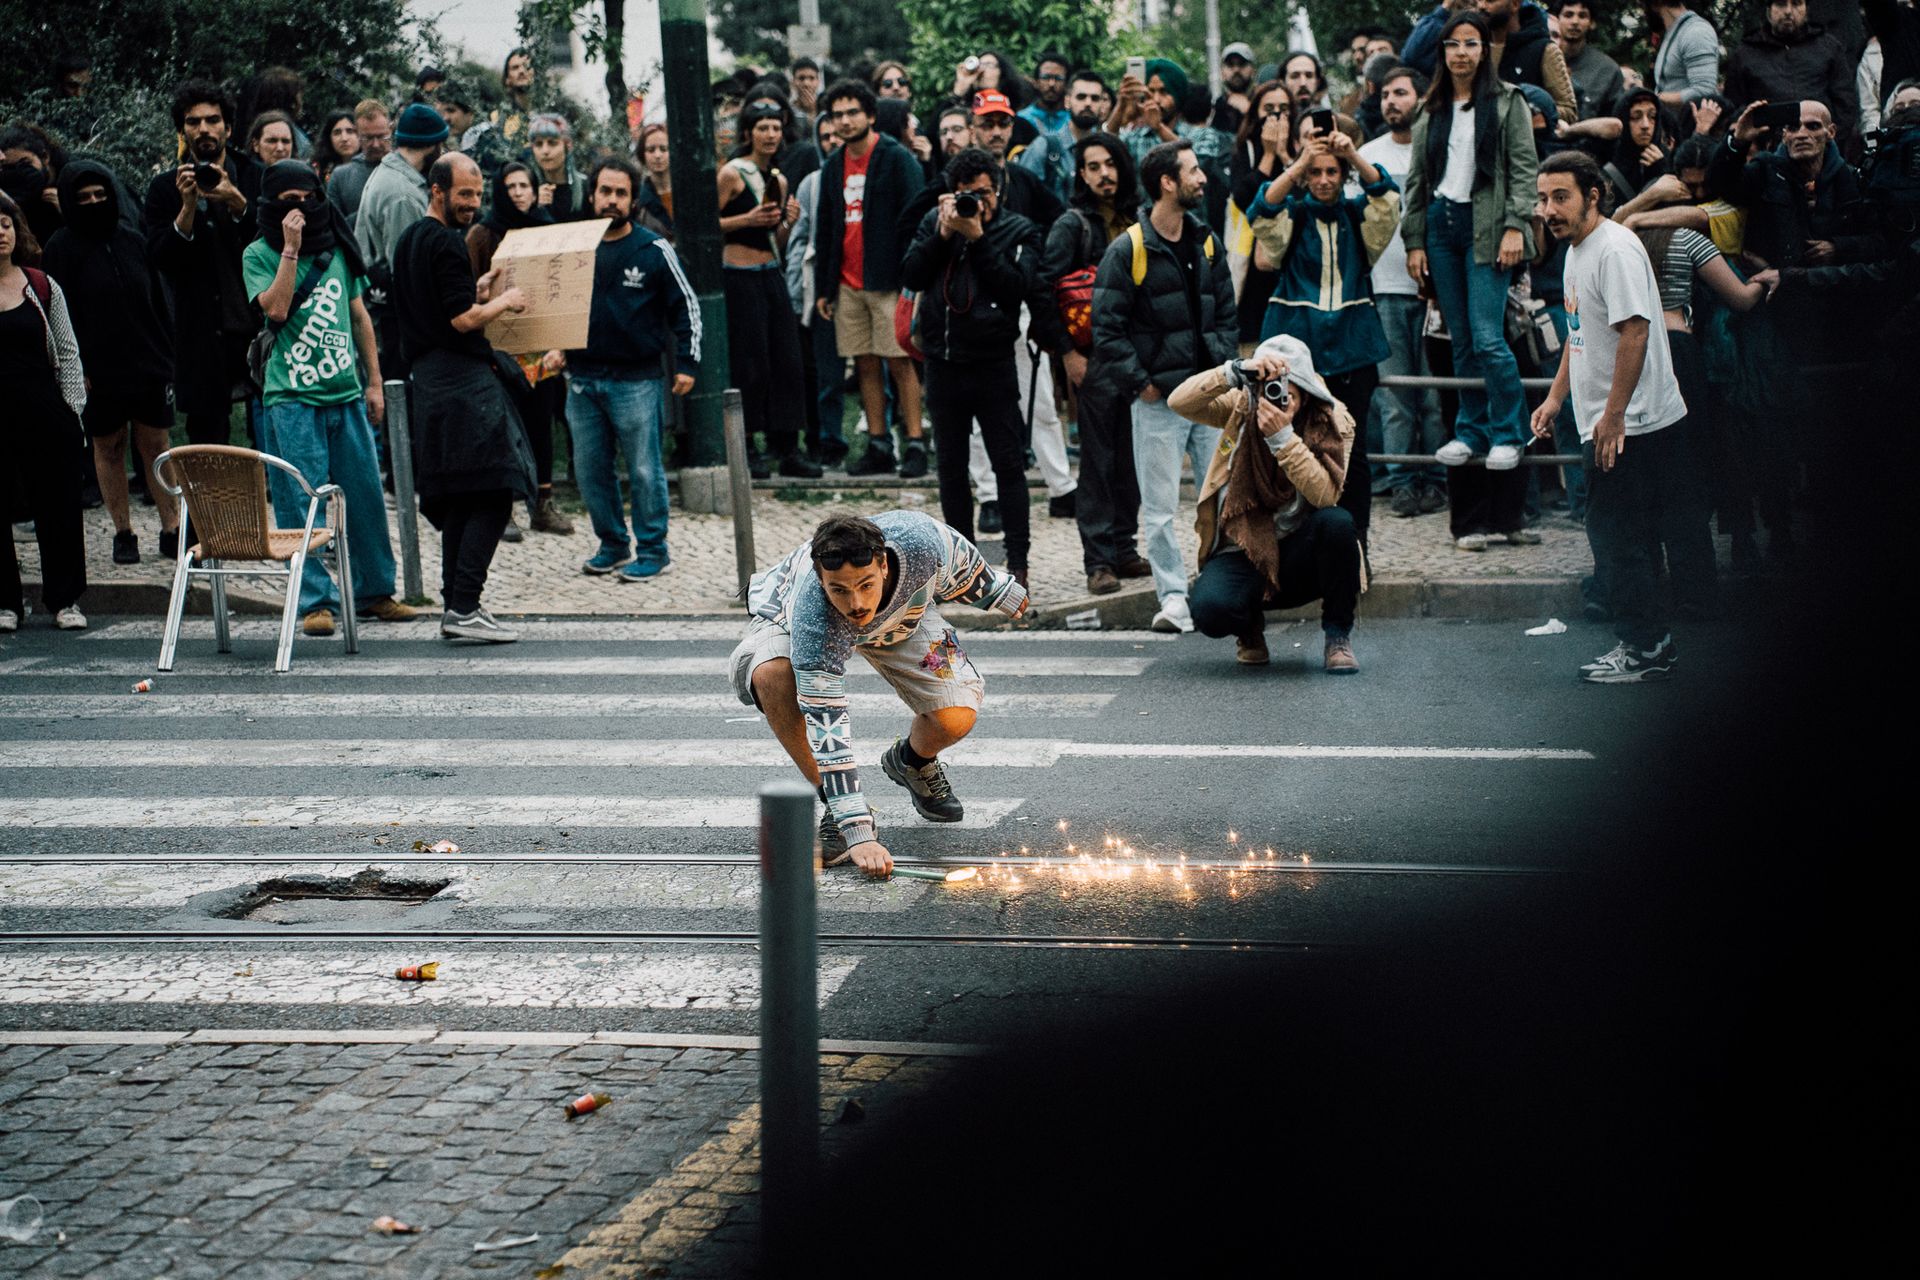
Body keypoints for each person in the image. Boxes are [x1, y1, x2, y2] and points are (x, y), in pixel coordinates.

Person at [730, 512, 1030, 876]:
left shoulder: (922, 543)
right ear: (822, 580)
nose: (856, 603)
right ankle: (836, 808)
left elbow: (963, 563)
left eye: (865, 585)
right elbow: (827, 726)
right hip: (788, 620)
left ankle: (912, 761)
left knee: (956, 716)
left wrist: (1000, 593)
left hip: (900, 617)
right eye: (839, 589)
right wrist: (858, 832)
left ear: (883, 564)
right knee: (773, 675)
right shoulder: (813, 615)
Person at [1529, 150, 1688, 682]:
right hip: (1608, 420)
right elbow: (1580, 336)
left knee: (1617, 541)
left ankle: (1644, 649)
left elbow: (1635, 331)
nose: (1547, 209)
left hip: (1631, 425)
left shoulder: (1612, 250)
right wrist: (1555, 399)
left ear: (1593, 195)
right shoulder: (1578, 249)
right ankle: (1652, 643)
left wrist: (1615, 416)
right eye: (1543, 197)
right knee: (1622, 538)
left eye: (1560, 196)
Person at [242, 161, 414, 637]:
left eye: (307, 198)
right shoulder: (257, 253)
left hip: (344, 392)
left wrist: (374, 382)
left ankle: (375, 590)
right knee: (302, 502)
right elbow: (275, 308)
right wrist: (290, 251)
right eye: (287, 200)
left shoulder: (337, 248)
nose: (299, 209)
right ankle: (316, 599)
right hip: (291, 397)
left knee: (363, 496)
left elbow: (359, 317)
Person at [1400, 8, 1540, 551]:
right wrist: (1415, 242)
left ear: (1485, 49)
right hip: (1441, 225)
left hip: (1488, 226)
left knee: (1488, 336)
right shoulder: (1430, 109)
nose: (1462, 52)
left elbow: (1524, 170)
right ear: (1443, 52)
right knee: (1459, 341)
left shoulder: (1507, 102)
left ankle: (1506, 434)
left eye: (1472, 43)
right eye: (1453, 44)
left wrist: (1514, 227)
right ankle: (1472, 431)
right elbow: (1417, 182)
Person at [1091, 140, 1237, 634]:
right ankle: (1173, 598)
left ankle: (1218, 588)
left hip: (1211, 397)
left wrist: (1221, 364)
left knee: (1220, 497)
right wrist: (1142, 382)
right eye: (1193, 171)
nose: (1203, 178)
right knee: (1158, 509)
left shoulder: (1206, 240)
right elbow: (1105, 327)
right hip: (1159, 402)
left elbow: (1228, 311)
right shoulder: (1128, 248)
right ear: (1167, 183)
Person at [390, 153, 537, 642]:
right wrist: (503, 302)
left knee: (459, 496)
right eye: (464, 194)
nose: (473, 204)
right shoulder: (448, 243)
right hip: (462, 386)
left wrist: (475, 290)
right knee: (496, 490)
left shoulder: (411, 239)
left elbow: (435, 305)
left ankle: (457, 606)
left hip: (428, 382)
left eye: (477, 194)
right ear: (437, 190)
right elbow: (459, 321)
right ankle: (466, 605)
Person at [901, 147, 1048, 592]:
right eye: (966, 194)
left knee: (1008, 463)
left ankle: (1017, 561)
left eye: (983, 193)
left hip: (993, 362)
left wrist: (979, 237)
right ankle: (959, 563)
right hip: (944, 363)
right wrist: (944, 235)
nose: (974, 202)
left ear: (998, 190)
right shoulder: (935, 223)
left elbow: (1015, 289)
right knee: (951, 465)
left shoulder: (1020, 230)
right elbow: (910, 274)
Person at [1169, 335, 1363, 673]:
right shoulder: (1244, 406)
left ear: (1306, 393)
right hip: (1244, 547)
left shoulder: (1334, 420)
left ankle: (1337, 637)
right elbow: (1179, 402)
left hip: (1301, 550)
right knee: (1209, 611)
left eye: (1288, 391)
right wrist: (1234, 371)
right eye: (1268, 389)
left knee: (1338, 524)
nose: (1275, 398)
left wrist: (1282, 438)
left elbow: (1325, 494)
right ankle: (1248, 628)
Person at [1246, 125, 1398, 547]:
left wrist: (1354, 156)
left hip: (1354, 348)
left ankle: (1354, 542)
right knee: (1288, 444)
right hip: (1295, 351)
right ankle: (1292, 541)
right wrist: (1296, 165)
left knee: (1354, 451)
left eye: (1333, 171)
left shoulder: (1358, 217)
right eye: (1317, 172)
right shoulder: (1293, 215)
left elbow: (1386, 199)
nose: (1325, 179)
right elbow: (1260, 211)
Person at [563, 157, 700, 582]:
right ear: (592, 195)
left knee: (644, 470)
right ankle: (613, 544)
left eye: (621, 193)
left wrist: (689, 362)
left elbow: (688, 308)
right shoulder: (572, 248)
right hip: (581, 380)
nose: (612, 200)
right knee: (590, 470)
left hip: (637, 380)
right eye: (605, 191)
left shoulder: (654, 249)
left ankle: (654, 550)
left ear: (633, 198)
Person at [43, 160, 179, 565]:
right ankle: (123, 531)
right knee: (109, 446)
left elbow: (158, 300)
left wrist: (167, 355)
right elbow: (58, 316)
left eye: (100, 195)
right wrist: (74, 369)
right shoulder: (60, 248)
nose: (93, 203)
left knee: (157, 445)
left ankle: (172, 526)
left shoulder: (133, 240)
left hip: (148, 361)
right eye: (83, 198)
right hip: (97, 369)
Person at [1045, 132, 1151, 595]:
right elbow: (1044, 289)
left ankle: (1124, 549)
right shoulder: (1072, 226)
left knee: (1132, 460)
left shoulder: (1141, 217)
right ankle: (1099, 561)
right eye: (1093, 166)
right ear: (1082, 174)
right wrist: (1067, 353)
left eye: (1110, 163)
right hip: (1092, 360)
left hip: (1137, 358)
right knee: (1098, 463)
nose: (1104, 173)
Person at [812, 80, 928, 479]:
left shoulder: (896, 158)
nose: (844, 121)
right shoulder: (832, 165)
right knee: (864, 363)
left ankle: (915, 440)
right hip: (847, 282)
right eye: (837, 115)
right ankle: (879, 442)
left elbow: (916, 219)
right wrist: (826, 288)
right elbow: (826, 228)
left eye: (851, 113)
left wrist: (912, 279)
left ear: (870, 115)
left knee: (899, 360)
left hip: (889, 280)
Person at [143, 80, 263, 448]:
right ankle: (209, 508)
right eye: (193, 122)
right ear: (182, 130)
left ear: (228, 127)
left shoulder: (255, 176)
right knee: (208, 444)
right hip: (201, 330)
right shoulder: (166, 188)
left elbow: (275, 242)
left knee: (272, 428)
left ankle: (275, 506)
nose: (204, 129)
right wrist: (188, 208)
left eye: (213, 120)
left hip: (256, 323)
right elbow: (161, 258)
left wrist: (236, 200)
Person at [1358, 68, 1450, 518]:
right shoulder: (1367, 156)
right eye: (1386, 95)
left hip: (1436, 292)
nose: (1391, 101)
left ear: (1421, 97)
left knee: (1433, 397)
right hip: (1385, 289)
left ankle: (1436, 479)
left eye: (1401, 93)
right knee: (1394, 398)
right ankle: (1401, 482)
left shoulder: (1440, 149)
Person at [467, 161, 574, 537]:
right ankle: (504, 508)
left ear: (534, 188)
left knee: (540, 427)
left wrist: (560, 342)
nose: (517, 192)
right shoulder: (483, 234)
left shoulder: (548, 231)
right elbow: (469, 290)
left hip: (540, 347)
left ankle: (541, 505)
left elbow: (564, 290)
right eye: (510, 186)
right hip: (497, 350)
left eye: (524, 185)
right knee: (502, 429)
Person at [0, 190, 89, 634]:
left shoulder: (40, 285)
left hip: (44, 409)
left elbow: (69, 354)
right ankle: (5, 604)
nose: (0, 233)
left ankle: (65, 599)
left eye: (5, 224)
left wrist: (73, 411)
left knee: (58, 505)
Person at [721, 101, 821, 479]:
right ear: (749, 132)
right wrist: (746, 218)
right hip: (739, 273)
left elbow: (775, 237)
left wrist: (788, 223)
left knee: (787, 361)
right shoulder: (732, 174)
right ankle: (748, 443)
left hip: (770, 270)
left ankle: (788, 446)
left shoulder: (778, 179)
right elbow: (706, 225)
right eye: (763, 127)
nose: (770, 135)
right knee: (751, 363)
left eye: (776, 128)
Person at [358, 102, 448, 384]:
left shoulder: (393, 174)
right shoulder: (403, 195)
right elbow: (408, 269)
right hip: (395, 320)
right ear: (431, 146)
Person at [786, 110, 847, 466]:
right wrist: (798, 292)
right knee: (827, 374)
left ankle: (881, 439)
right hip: (822, 289)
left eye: (836, 134)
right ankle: (829, 442)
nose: (832, 141)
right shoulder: (812, 183)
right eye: (825, 136)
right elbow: (799, 242)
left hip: (858, 283)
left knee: (876, 372)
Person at [1724, 0, 1860, 152]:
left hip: (1822, 149)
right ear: (1769, 10)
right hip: (1766, 154)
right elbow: (1734, 108)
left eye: (1796, 4)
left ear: (1806, 9)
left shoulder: (1828, 48)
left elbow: (1845, 105)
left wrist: (1828, 143)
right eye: (1781, 4)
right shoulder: (1746, 54)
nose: (1788, 11)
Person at [1229, 81, 1296, 349]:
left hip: (1291, 262)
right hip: (1253, 269)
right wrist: (1268, 155)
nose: (1276, 116)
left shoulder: (1302, 147)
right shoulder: (1244, 150)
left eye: (1283, 109)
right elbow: (1244, 199)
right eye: (1269, 108)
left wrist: (1285, 156)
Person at [1480, 0, 1578, 124]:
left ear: (1514, 4)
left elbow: (1569, 112)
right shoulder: (1472, 47)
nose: (1481, 6)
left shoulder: (1543, 50)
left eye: (1490, 1)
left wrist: (1531, 113)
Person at [1552, 0, 1625, 119]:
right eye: (1568, 15)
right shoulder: (1540, 60)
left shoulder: (1607, 69)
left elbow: (1617, 120)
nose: (1575, 22)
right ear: (1556, 19)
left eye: (1582, 16)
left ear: (1592, 23)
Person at [1645, 0, 1720, 112]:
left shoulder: (1696, 32)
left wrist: (1653, 98)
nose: (1643, 13)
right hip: (1674, 125)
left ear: (1656, 3)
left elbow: (1704, 91)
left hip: (1692, 126)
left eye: (1642, 5)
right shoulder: (1672, 33)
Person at [327, 100, 392, 228]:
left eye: (381, 136)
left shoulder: (406, 169)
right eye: (368, 138)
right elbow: (334, 228)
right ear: (357, 133)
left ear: (390, 130)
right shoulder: (341, 176)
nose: (375, 144)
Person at [525, 113, 588, 221]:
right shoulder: (525, 189)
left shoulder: (585, 187)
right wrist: (533, 206)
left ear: (567, 147)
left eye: (552, 143)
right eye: (539, 144)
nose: (545, 151)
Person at [636, 122, 675, 237]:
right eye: (651, 150)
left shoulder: (689, 190)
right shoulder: (638, 200)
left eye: (663, 149)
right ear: (643, 154)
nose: (658, 155)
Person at [1214, 42, 1261, 134]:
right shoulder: (1214, 107)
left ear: (1253, 71)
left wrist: (1249, 112)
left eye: (1242, 64)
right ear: (1222, 73)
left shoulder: (1262, 102)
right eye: (1230, 65)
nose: (1236, 70)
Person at [315, 111, 360, 186]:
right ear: (329, 138)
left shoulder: (372, 167)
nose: (344, 138)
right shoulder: (319, 170)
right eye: (337, 133)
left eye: (350, 131)